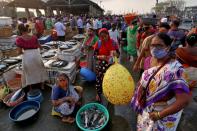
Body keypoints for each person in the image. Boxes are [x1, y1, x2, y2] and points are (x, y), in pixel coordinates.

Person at [131, 33, 191, 131]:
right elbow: (147, 80)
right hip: (147, 107)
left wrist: (159, 115)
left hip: (163, 112)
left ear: (167, 47)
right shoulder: (148, 60)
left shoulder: (174, 69)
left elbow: (184, 100)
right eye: (153, 45)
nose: (155, 48)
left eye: (159, 45)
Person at [16, 24, 48, 89]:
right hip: (36, 54)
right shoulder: (34, 37)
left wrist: (22, 52)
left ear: (20, 30)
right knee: (40, 69)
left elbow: (19, 52)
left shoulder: (19, 39)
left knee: (29, 71)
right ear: (27, 29)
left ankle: (31, 87)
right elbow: (40, 47)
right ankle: (42, 85)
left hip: (27, 55)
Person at [94, 28, 119, 102]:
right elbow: (94, 56)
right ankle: (98, 93)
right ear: (99, 37)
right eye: (101, 37)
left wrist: (115, 54)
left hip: (111, 65)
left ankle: (110, 93)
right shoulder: (98, 44)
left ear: (108, 35)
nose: (104, 38)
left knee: (111, 80)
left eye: (105, 36)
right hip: (101, 66)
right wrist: (100, 56)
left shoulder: (113, 43)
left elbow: (118, 54)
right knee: (99, 79)